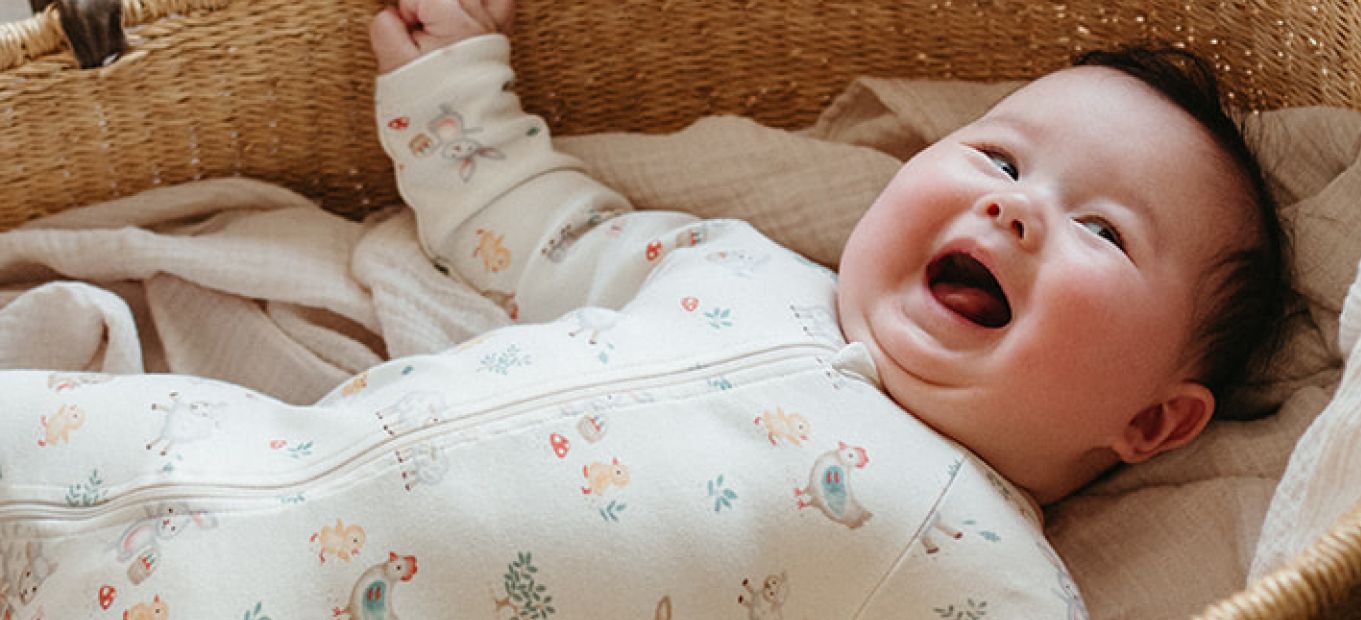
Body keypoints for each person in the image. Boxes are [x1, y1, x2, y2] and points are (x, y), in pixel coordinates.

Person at [0, 0, 1289, 616]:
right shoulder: (728, 263)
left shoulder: (973, 565)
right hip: (188, 449)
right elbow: (530, 225)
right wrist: (451, 83)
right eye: (999, 158)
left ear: (1154, 422)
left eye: (1104, 231)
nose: (1014, 208)